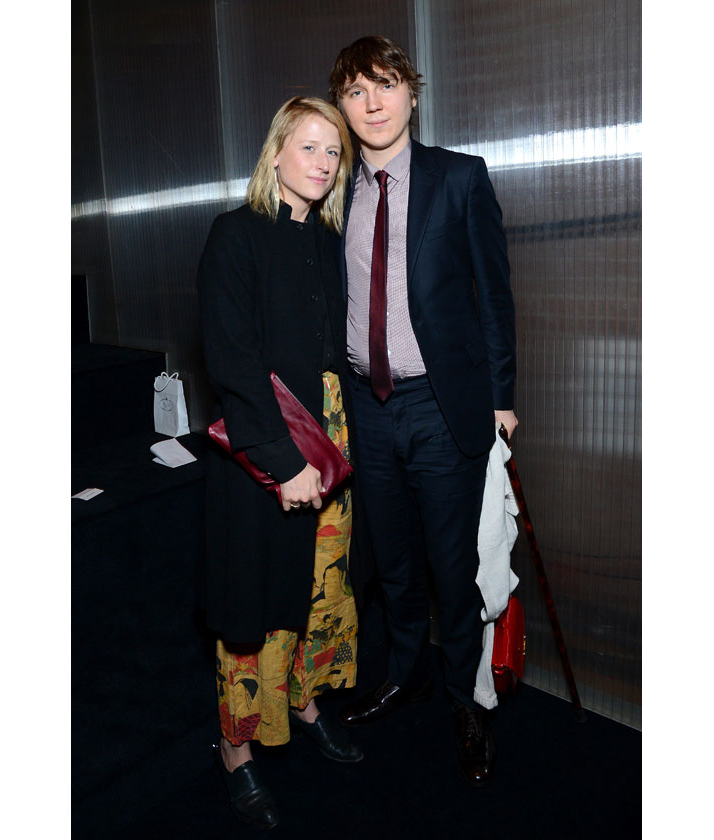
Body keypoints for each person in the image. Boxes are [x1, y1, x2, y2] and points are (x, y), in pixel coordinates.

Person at [328, 36, 518, 788]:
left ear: (412, 92)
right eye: (355, 91)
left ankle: (467, 703)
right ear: (342, 106)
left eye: (385, 84)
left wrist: (502, 397)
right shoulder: (333, 188)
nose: (372, 103)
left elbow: (494, 296)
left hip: (442, 405)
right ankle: (404, 675)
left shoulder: (460, 177)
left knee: (451, 567)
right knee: (393, 564)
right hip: (365, 407)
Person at [197, 96, 361, 830]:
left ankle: (304, 701)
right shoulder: (235, 235)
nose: (323, 163)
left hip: (334, 441)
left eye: (333, 151)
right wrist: (285, 463)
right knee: (254, 601)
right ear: (276, 152)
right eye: (309, 147)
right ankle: (236, 746)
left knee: (321, 584)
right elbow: (231, 362)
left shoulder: (327, 239)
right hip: (267, 447)